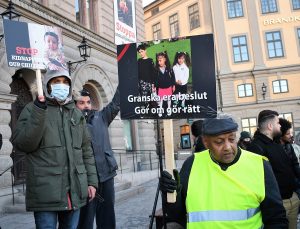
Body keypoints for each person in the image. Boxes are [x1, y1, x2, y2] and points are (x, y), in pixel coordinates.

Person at [160, 116, 288, 228]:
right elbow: (176, 214)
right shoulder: (192, 164)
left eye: (231, 139)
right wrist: (170, 194)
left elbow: (276, 218)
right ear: (206, 142)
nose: (227, 147)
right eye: (219, 142)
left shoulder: (260, 165)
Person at [12, 69, 98, 228]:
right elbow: (23, 144)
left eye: (65, 82)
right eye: (57, 82)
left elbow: (86, 151)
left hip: (74, 191)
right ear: (48, 85)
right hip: (46, 193)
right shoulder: (32, 109)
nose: (61, 85)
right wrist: (39, 111)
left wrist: (92, 182)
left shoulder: (76, 114)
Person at [75, 87, 120, 229]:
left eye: (88, 102)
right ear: (75, 105)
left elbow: (116, 104)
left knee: (107, 217)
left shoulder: (102, 117)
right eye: (81, 103)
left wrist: (125, 80)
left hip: (106, 175)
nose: (86, 105)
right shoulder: (72, 123)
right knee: (85, 220)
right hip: (85, 180)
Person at [247, 110, 300, 229]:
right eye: (278, 122)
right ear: (270, 126)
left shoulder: (276, 144)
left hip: (292, 198)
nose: (280, 125)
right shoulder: (255, 147)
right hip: (277, 205)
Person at [155, 51, 176, 117]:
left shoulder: (169, 68)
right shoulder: (157, 69)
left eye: (160, 60)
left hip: (168, 87)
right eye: (158, 60)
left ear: (165, 59)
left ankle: (169, 109)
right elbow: (155, 79)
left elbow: (173, 77)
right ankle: (160, 111)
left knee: (168, 100)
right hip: (161, 88)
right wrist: (155, 86)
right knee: (160, 100)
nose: (159, 62)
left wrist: (173, 85)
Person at [137, 44, 156, 108]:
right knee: (141, 98)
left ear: (145, 51)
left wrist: (153, 83)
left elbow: (153, 72)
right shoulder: (139, 61)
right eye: (139, 52)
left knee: (148, 97)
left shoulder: (150, 60)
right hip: (141, 82)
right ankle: (143, 109)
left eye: (142, 51)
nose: (141, 53)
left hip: (148, 82)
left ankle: (148, 108)